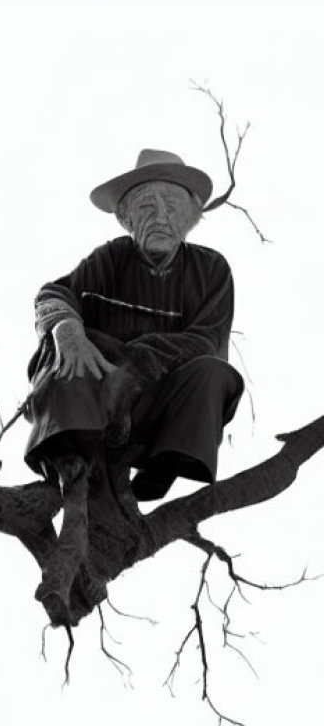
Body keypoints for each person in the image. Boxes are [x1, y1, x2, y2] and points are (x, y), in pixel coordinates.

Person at [25, 149, 244, 621]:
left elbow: (206, 339)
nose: (160, 217)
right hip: (92, 395)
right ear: (126, 218)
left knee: (213, 371)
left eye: (172, 206)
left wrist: (137, 362)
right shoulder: (111, 259)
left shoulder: (211, 270)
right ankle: (72, 460)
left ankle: (165, 460)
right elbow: (53, 294)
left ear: (192, 217)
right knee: (76, 353)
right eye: (146, 206)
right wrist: (66, 329)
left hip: (155, 404)